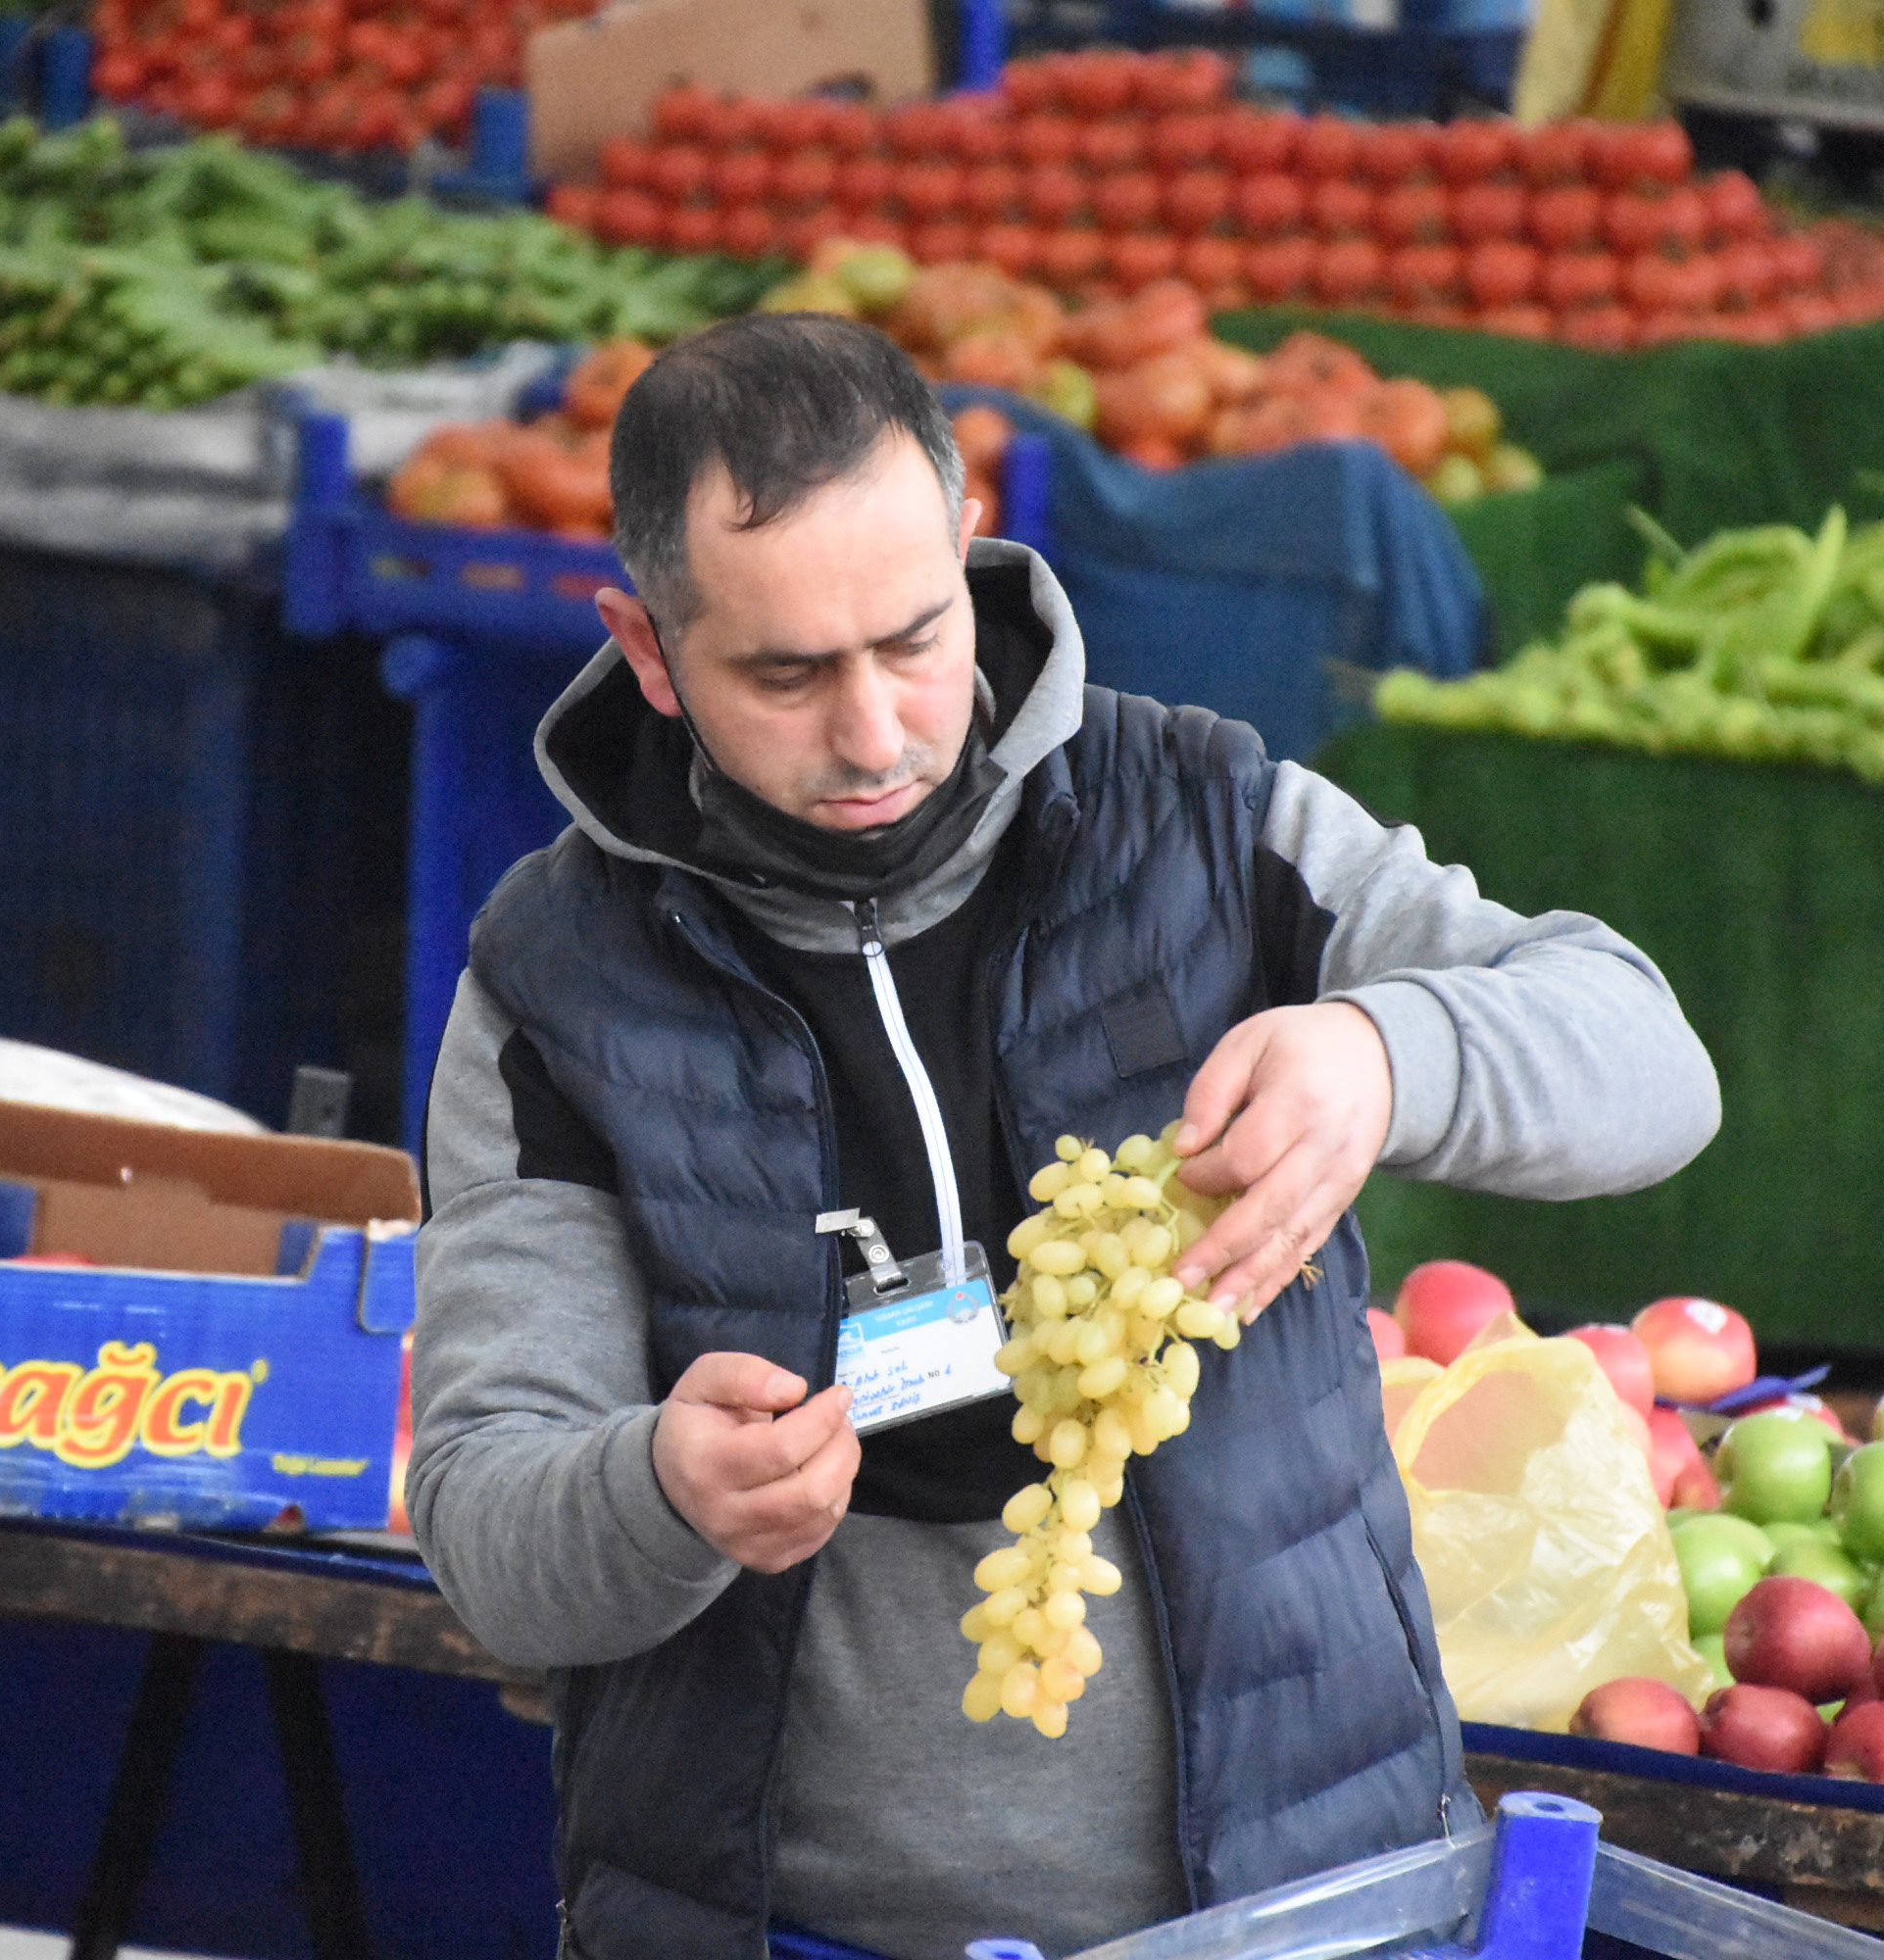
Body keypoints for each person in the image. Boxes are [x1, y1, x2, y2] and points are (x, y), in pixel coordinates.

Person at [407, 314, 1719, 1960]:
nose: (875, 734)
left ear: (970, 555)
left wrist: (1389, 1051)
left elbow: (1653, 1058)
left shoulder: (1210, 821)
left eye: (912, 639)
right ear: (651, 651)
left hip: (1304, 1899)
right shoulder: (559, 987)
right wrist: (662, 1489)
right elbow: (487, 1524)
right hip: (786, 1927)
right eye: (786, 674)